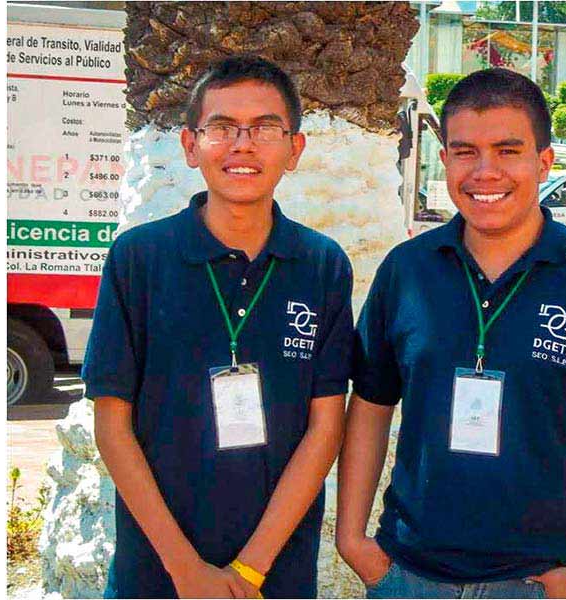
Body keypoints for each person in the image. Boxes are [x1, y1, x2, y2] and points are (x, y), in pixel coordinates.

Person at [337, 68, 566, 599]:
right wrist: (351, 539)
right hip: (407, 575)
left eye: (508, 150)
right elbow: (371, 405)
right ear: (444, 160)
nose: (484, 172)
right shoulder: (408, 270)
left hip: (538, 582)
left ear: (544, 162)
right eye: (465, 151)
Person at [83, 55, 353, 598]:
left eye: (265, 128)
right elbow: (113, 426)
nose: (243, 145)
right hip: (156, 573)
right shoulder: (140, 259)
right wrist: (186, 570)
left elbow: (325, 429)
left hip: (275, 573)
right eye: (222, 128)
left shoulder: (322, 265)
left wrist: (249, 570)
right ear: (190, 145)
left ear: (294, 149)